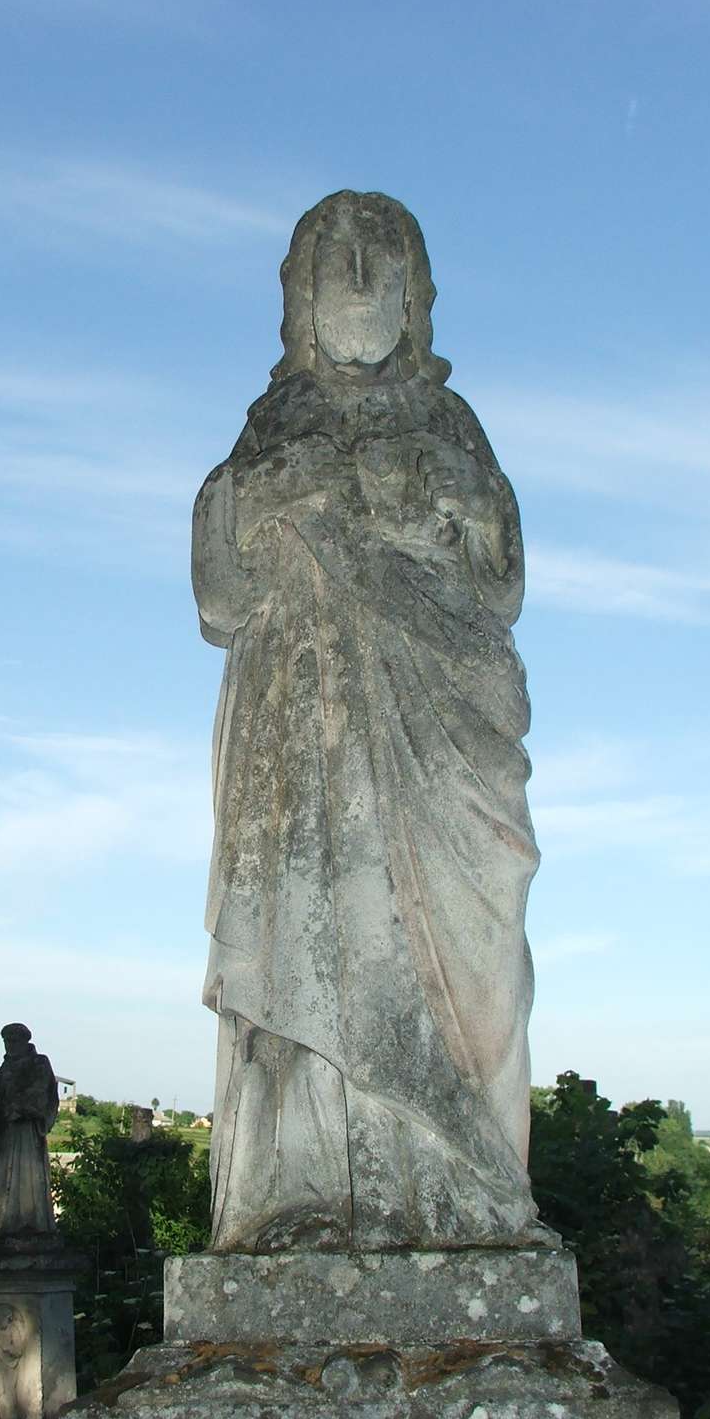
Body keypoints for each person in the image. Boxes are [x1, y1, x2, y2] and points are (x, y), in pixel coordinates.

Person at [193, 190, 547, 1252]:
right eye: (332, 257)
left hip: (441, 742)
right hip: (302, 749)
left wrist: (469, 508)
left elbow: (500, 586)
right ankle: (306, 1193)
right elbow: (216, 590)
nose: (355, 276)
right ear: (298, 298)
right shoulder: (272, 427)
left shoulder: (450, 425)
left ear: (415, 295)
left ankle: (460, 1190)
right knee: (308, 942)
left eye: (379, 257)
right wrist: (259, 498)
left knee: (468, 960)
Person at [0, 1022, 59, 1236]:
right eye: (6, 1041)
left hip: (28, 1129)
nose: (9, 1045)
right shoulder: (4, 1069)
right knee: (5, 1179)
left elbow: (44, 1092)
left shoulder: (39, 1063)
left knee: (30, 1177)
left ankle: (33, 1222)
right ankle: (7, 1223)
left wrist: (21, 1108)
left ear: (24, 1041)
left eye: (13, 1041)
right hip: (8, 1131)